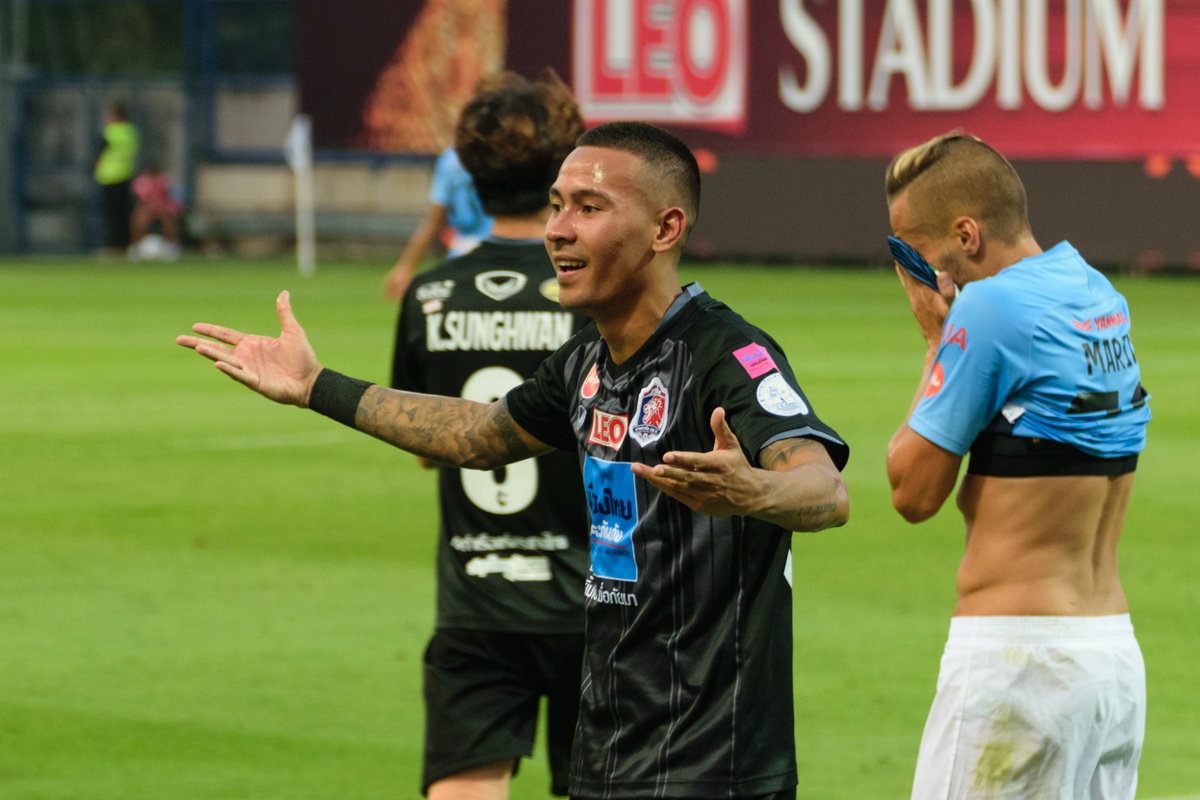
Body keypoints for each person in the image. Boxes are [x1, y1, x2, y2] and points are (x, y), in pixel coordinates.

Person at [178, 121, 850, 800]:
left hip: (714, 767)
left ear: (665, 228)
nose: (560, 229)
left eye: (590, 208)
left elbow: (824, 488)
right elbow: (479, 435)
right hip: (610, 754)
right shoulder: (584, 361)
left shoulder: (724, 356)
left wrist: (753, 492)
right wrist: (316, 387)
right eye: (556, 205)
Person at [884, 131, 1149, 799]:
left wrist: (934, 345)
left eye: (912, 254)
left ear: (966, 235)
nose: (916, 276)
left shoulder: (991, 307)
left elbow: (912, 491)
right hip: (1110, 665)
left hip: (1020, 668)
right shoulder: (1098, 294)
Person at [391, 69, 590, 799]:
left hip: (478, 599)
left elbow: (421, 440)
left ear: (469, 172)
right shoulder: (593, 291)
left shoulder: (431, 294)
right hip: (599, 602)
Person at [382, 145, 493, 300]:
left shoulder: (450, 160)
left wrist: (406, 266)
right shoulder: (502, 154)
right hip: (498, 250)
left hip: (461, 255)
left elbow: (433, 221)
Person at [93, 102, 139, 256]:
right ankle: (124, 246)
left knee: (110, 215)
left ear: (117, 116)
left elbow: (99, 155)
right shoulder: (131, 132)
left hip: (109, 178)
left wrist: (96, 166)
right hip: (126, 177)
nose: (107, 118)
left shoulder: (109, 132)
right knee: (124, 214)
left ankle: (112, 247)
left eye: (110, 115)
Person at [129, 162, 183, 261]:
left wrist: (166, 208)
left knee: (169, 220)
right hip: (147, 207)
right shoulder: (141, 181)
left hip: (161, 206)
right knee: (139, 221)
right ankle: (135, 246)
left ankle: (172, 246)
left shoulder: (163, 179)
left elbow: (166, 196)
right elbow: (142, 199)